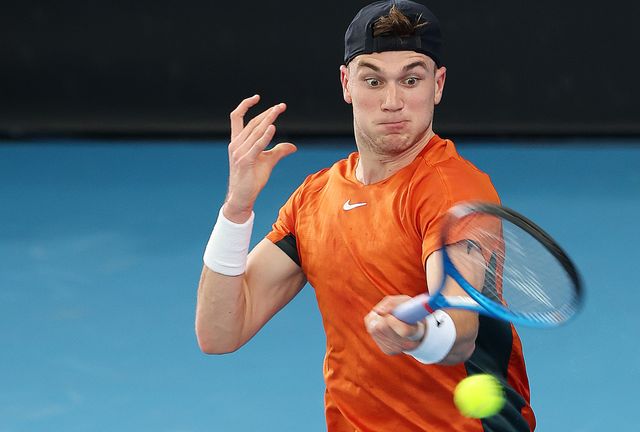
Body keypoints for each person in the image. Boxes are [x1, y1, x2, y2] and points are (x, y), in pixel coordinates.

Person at [195, 1, 535, 430]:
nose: (392, 101)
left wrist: (420, 335)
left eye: (411, 79)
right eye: (373, 80)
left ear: (438, 85)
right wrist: (236, 210)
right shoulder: (314, 199)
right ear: (346, 84)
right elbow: (219, 332)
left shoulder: (451, 190)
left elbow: (460, 329)